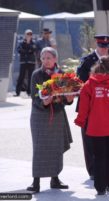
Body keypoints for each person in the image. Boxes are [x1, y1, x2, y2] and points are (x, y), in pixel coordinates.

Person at [75, 56, 109, 195]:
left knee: (99, 156)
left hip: (96, 127)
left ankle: (100, 188)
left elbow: (83, 107)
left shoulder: (89, 84)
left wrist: (81, 120)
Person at [27, 47, 73, 193]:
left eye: (48, 58)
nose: (45, 61)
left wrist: (69, 99)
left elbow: (66, 97)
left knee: (55, 147)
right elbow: (34, 97)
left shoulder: (62, 75)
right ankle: (36, 182)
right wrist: (44, 102)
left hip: (58, 115)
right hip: (40, 116)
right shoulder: (36, 74)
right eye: (43, 58)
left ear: (55, 59)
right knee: (39, 148)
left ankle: (55, 179)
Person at [76, 34, 109, 180]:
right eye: (102, 46)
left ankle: (106, 167)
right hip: (89, 105)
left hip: (105, 106)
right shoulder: (87, 61)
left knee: (106, 137)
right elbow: (81, 82)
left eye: (106, 47)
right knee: (89, 138)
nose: (104, 49)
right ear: (97, 46)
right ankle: (93, 170)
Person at [15, 29, 36, 96]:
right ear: (25, 35)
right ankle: (17, 92)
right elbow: (19, 50)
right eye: (28, 34)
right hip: (23, 62)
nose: (29, 35)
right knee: (21, 77)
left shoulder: (34, 42)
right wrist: (28, 50)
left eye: (30, 34)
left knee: (31, 77)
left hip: (31, 62)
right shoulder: (21, 42)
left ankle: (29, 92)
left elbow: (33, 49)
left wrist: (27, 46)